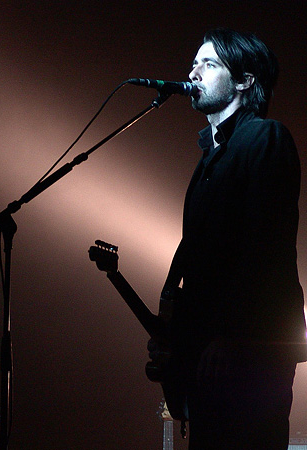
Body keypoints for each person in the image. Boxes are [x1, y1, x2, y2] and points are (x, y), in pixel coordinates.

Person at [154, 28, 307, 449]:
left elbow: (264, 245)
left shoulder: (265, 138)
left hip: (250, 347)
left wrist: (234, 335)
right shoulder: (209, 158)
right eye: (193, 63)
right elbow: (202, 258)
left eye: (209, 63)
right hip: (210, 348)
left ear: (244, 80)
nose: (193, 71)